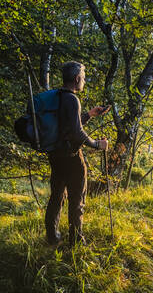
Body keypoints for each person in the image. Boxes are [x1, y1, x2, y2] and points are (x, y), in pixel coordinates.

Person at [45, 61, 109, 246]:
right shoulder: (72, 99)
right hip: (72, 158)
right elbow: (76, 133)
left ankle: (52, 237)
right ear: (76, 78)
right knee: (77, 199)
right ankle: (76, 241)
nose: (84, 81)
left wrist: (90, 114)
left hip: (55, 155)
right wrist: (98, 144)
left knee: (56, 197)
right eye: (83, 77)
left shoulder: (58, 97)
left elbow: (69, 126)